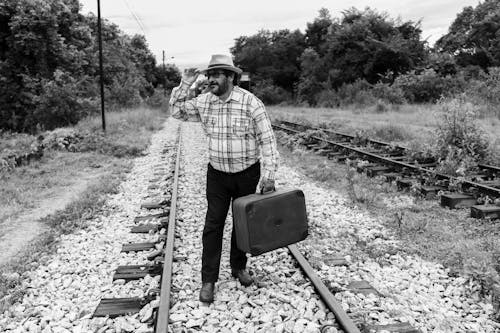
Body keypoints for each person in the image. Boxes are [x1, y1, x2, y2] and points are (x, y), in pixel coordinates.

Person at [169, 54, 279, 303]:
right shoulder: (204, 102)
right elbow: (176, 111)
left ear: (231, 77)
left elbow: (268, 140)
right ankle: (209, 280)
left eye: (216, 74)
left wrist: (269, 175)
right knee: (213, 226)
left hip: (247, 173)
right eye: (209, 74)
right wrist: (185, 83)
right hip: (217, 174)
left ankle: (238, 267)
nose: (210, 79)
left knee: (242, 224)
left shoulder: (251, 103)